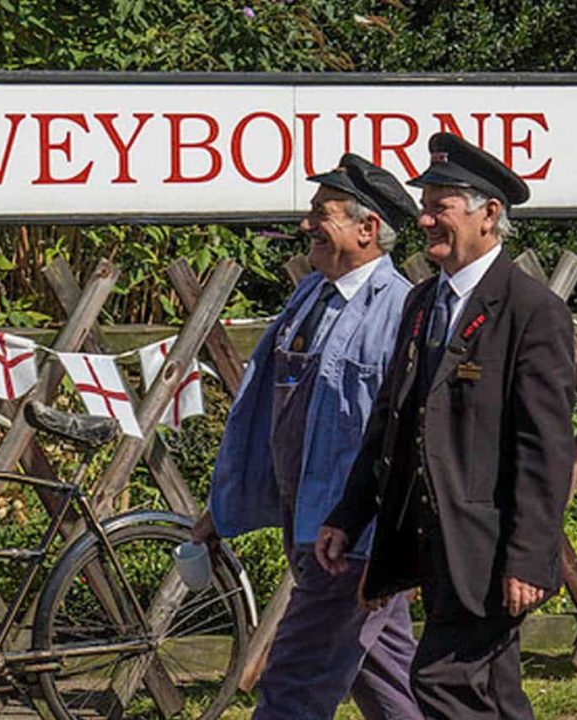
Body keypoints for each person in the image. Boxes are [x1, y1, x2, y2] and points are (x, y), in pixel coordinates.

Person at [316, 133, 575, 719]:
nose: (426, 218)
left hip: (487, 547)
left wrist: (530, 557)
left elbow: (544, 447)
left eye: (441, 206)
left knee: (441, 681)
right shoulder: (422, 302)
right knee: (492, 693)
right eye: (425, 204)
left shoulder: (531, 311)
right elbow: (391, 424)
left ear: (489, 215)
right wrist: (348, 515)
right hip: (433, 545)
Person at [191, 153, 423, 720]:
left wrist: (380, 540)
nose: (305, 225)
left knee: (293, 684)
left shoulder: (399, 312)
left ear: (368, 229)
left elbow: (407, 437)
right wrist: (223, 507)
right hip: (309, 522)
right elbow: (268, 415)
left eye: (322, 213)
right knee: (388, 681)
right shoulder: (310, 297)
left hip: (348, 541)